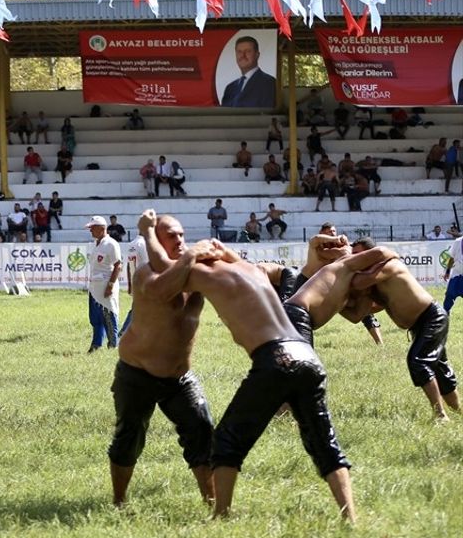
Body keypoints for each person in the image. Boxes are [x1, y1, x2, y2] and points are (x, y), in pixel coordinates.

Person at [139, 216, 355, 521]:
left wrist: (149, 233)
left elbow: (164, 276)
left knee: (226, 441)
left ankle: (221, 516)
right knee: (324, 443)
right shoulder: (251, 270)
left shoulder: (203, 272)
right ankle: (350, 518)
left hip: (274, 359)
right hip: (307, 355)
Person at [110, 212, 221, 506]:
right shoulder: (145, 275)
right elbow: (165, 289)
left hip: (178, 378)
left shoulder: (195, 272)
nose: (180, 241)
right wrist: (149, 234)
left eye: (182, 235)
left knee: (202, 429)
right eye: (171, 235)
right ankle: (119, 501)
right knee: (129, 437)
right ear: (155, 241)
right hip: (137, 373)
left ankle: (213, 502)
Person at [346, 241, 460, 420]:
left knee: (418, 362)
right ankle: (459, 412)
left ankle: (441, 416)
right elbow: (358, 315)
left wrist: (339, 268)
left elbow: (358, 282)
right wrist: (338, 305)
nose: (354, 259)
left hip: (432, 317)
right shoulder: (372, 285)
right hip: (419, 325)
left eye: (358, 255)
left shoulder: (389, 266)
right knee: (439, 368)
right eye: (353, 255)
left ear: (371, 254)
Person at [85, 216, 122, 353]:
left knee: (109, 315)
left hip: (106, 285)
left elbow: (118, 265)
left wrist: (110, 286)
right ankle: (96, 344)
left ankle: (113, 344)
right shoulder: (95, 244)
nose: (90, 231)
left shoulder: (111, 244)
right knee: (95, 318)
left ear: (101, 228)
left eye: (92, 228)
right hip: (94, 287)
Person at [220, 35, 277, 108]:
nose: (243, 55)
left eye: (248, 51)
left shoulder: (269, 83)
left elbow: (268, 111)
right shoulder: (230, 88)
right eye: (239, 52)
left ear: (257, 55)